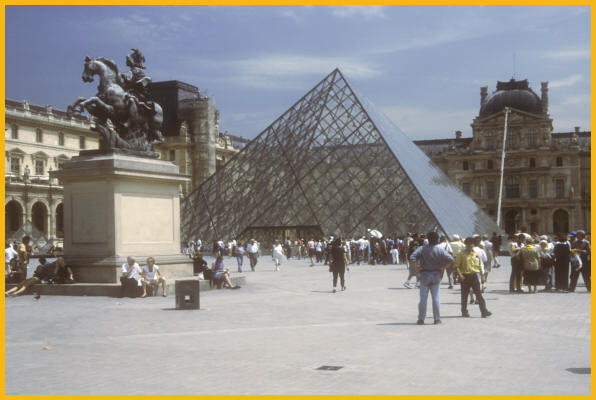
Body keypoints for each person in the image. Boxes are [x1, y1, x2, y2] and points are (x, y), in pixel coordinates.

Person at [409, 231, 454, 325]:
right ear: (437, 239)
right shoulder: (440, 249)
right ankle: (437, 319)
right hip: (436, 275)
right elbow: (451, 259)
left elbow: (412, 257)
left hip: (424, 274)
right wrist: (443, 267)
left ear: (428, 239)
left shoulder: (422, 248)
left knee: (423, 299)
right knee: (436, 298)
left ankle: (421, 319)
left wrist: (417, 268)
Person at [454, 237, 492, 318]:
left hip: (474, 276)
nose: (470, 247)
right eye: (468, 245)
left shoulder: (476, 254)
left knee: (479, 294)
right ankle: (464, 312)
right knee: (464, 295)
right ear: (465, 245)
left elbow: (479, 266)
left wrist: (482, 276)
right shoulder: (461, 254)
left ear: (473, 245)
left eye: (471, 245)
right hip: (465, 276)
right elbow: (456, 266)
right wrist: (460, 275)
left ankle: (484, 311)